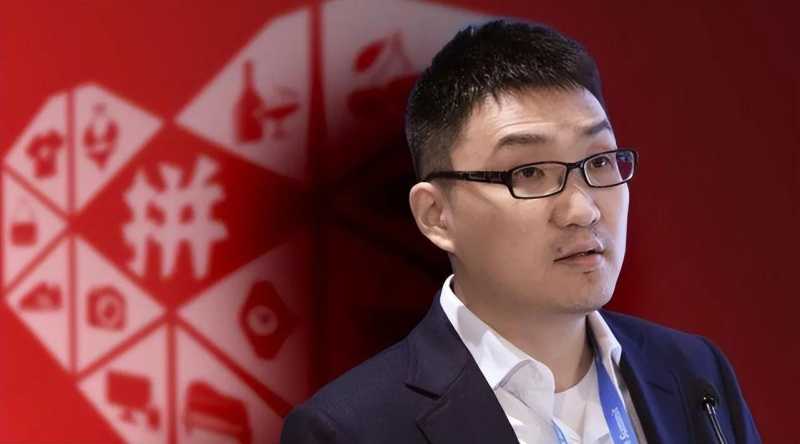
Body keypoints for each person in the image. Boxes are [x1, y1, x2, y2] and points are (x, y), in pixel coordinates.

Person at [281, 19, 760, 444]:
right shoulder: (350, 430)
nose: (582, 210)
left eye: (599, 161)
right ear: (436, 215)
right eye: (529, 172)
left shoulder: (693, 374)